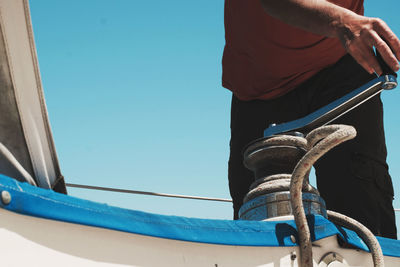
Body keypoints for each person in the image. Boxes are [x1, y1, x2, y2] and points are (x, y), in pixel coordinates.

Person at [223, 0, 399, 238]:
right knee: (260, 220)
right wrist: (341, 22)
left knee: (365, 215)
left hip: (341, 67)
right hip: (259, 86)